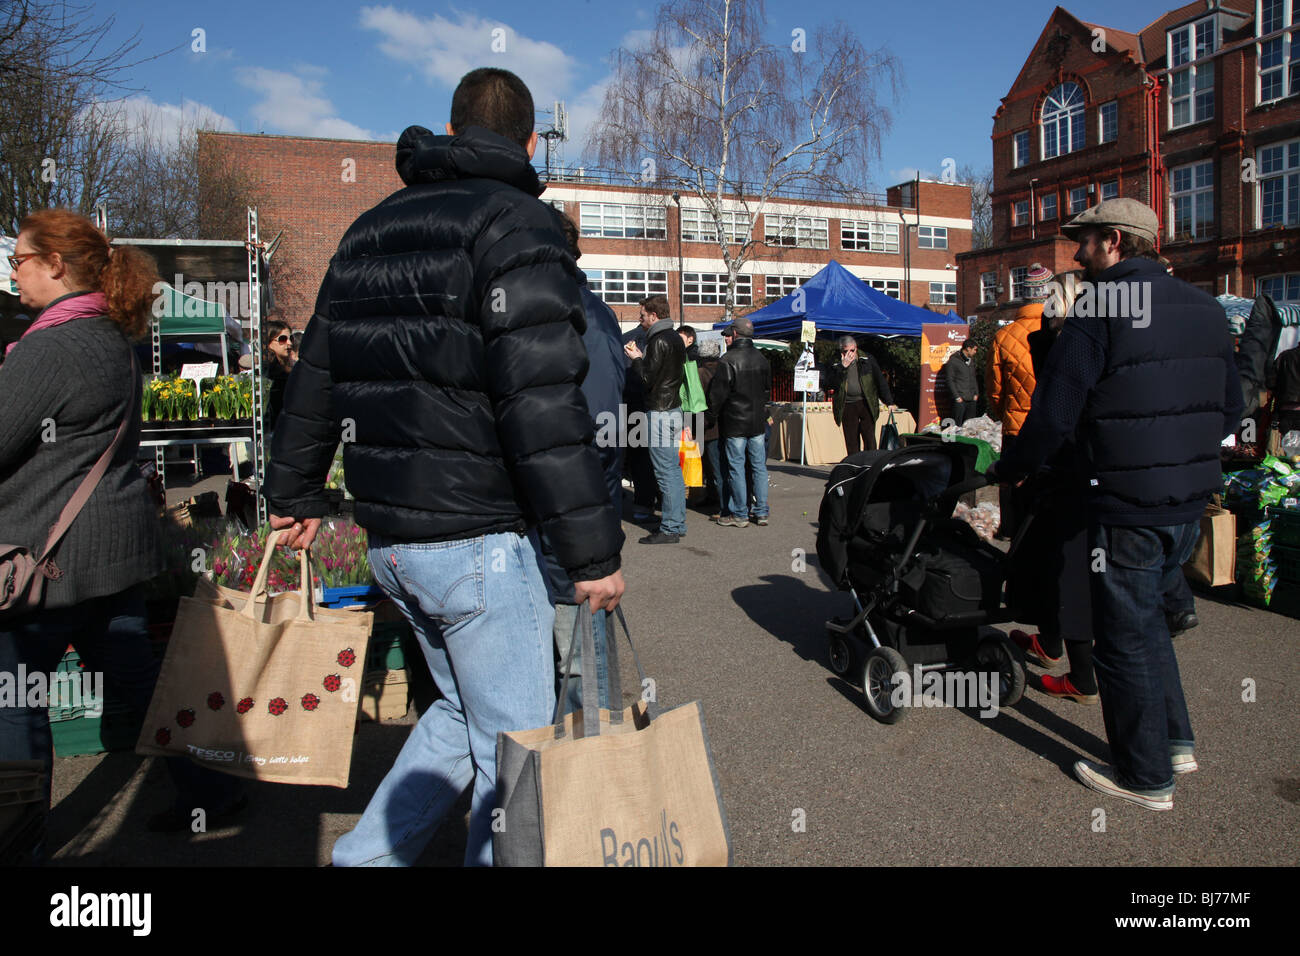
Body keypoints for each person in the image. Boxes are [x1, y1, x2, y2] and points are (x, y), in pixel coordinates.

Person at [263, 67, 626, 866]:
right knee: (517, 754)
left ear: (453, 128)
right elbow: (542, 403)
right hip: (477, 541)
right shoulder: (518, 224)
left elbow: (317, 374)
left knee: (462, 717)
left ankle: (363, 860)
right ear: (531, 141)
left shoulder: (369, 229)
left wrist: (292, 494)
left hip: (392, 541)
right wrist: (593, 555)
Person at [0, 209, 245, 847]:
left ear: (55, 264)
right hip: (110, 554)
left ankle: (17, 838)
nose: (13, 270)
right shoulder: (109, 336)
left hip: (44, 560)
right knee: (140, 690)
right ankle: (213, 792)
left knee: (14, 702)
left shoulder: (50, 346)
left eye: (20, 258)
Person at [990, 197, 1243, 811]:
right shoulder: (1206, 308)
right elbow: (1233, 409)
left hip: (1125, 501)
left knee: (1123, 640)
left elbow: (1054, 414)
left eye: (1085, 242)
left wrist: (1017, 470)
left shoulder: (1099, 308)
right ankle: (1174, 741)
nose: (1075, 254)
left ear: (1116, 242)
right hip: (1188, 502)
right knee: (1149, 624)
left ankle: (1144, 775)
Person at [543, 212, 624, 715]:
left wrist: (588, 546)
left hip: (571, 529)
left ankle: (597, 781)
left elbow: (596, 434)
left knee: (580, 669)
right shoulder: (571, 311)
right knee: (569, 662)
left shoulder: (580, 317)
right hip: (565, 523)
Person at [1006, 271, 1098, 704]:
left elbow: (1054, 414)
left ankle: (1082, 675)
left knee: (1068, 569)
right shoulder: (1091, 335)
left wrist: (1019, 463)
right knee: (1054, 561)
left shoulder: (1074, 343)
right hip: (1080, 465)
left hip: (1069, 466)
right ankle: (1052, 642)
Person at [986, 264, 1051, 539]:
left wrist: (1003, 413)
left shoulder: (1003, 336)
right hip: (1051, 423)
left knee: (1011, 483)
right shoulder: (1063, 330)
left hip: (1016, 425)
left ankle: (1010, 532)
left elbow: (994, 389)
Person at [624, 294, 687, 543]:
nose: (640, 320)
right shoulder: (674, 338)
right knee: (672, 471)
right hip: (672, 410)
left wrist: (636, 358)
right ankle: (676, 524)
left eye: (642, 315)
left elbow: (646, 379)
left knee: (665, 472)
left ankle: (671, 528)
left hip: (660, 412)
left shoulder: (660, 339)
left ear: (654, 315)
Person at [706, 316, 771, 527]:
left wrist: (710, 417)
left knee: (737, 468)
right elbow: (766, 391)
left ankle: (740, 513)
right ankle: (761, 511)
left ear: (735, 334)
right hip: (756, 421)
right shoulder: (762, 358)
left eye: (728, 335)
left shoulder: (728, 360)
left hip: (735, 422)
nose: (726, 338)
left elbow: (718, 395)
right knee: (759, 467)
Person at [622, 304, 660, 522]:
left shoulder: (625, 339)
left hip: (633, 406)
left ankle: (643, 505)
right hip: (660, 405)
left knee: (640, 458)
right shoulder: (668, 340)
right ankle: (663, 502)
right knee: (662, 458)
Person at [827, 335, 896, 454]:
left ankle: (869, 466)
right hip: (847, 404)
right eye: (845, 351)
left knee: (869, 438)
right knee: (851, 440)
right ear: (841, 351)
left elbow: (880, 380)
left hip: (866, 402)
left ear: (856, 348)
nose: (849, 354)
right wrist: (843, 367)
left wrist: (889, 402)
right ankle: (855, 468)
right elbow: (830, 383)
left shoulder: (867, 359)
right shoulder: (835, 362)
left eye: (852, 350)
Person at [695, 337, 725, 515]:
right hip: (721, 423)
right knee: (715, 465)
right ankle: (714, 497)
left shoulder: (699, 373)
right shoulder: (723, 369)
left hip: (705, 424)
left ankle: (722, 504)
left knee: (712, 466)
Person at [261, 317, 296, 436]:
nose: (289, 343)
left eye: (291, 338)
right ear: (269, 342)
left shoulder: (288, 367)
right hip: (275, 431)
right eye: (282, 339)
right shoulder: (269, 371)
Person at [943, 339, 980, 425]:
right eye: (974, 349)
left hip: (971, 399)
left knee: (970, 426)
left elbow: (973, 378)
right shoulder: (953, 361)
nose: (975, 352)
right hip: (960, 400)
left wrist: (976, 394)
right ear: (968, 349)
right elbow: (950, 380)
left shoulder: (971, 361)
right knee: (957, 425)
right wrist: (957, 397)